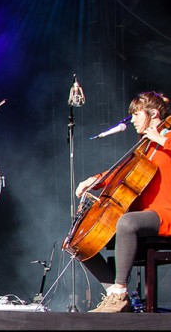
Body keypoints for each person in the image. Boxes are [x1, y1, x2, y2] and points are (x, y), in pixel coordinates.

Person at [75, 91, 171, 313]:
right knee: (82, 240)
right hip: (148, 213)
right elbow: (121, 172)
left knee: (127, 223)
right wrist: (95, 180)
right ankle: (115, 295)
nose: (133, 120)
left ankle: (119, 293)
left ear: (154, 113)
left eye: (136, 114)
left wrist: (163, 140)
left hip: (166, 212)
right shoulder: (146, 147)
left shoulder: (164, 138)